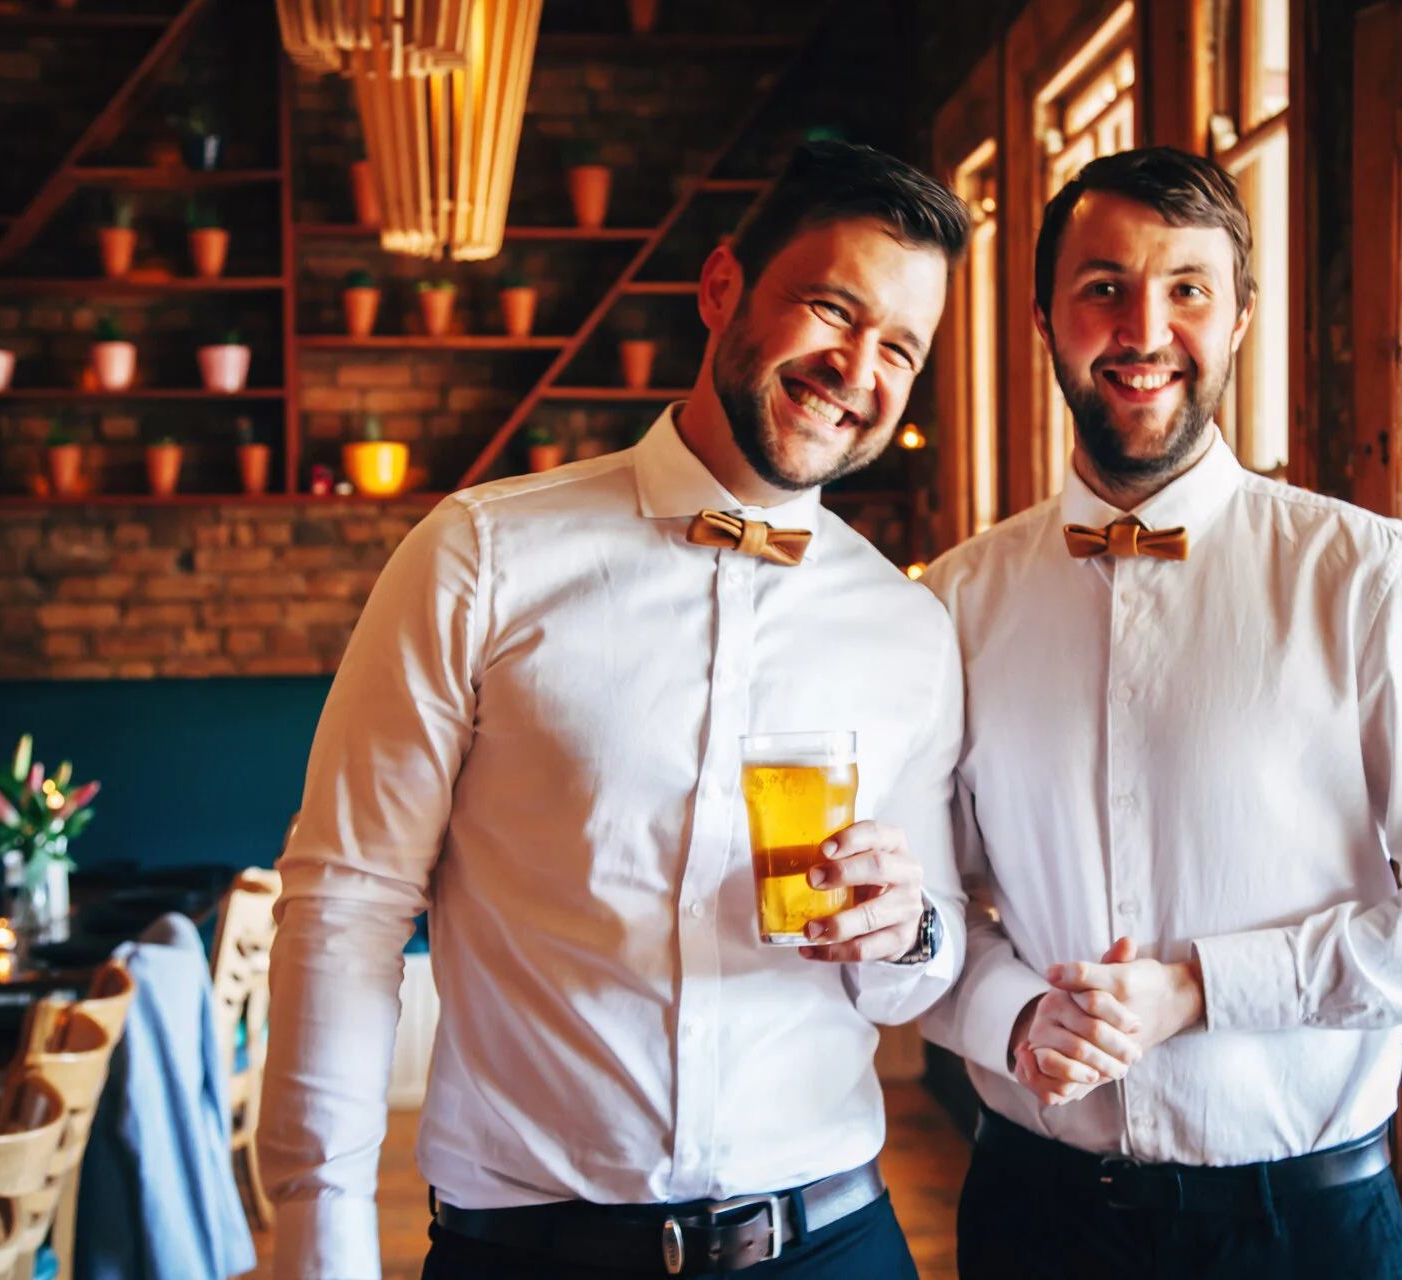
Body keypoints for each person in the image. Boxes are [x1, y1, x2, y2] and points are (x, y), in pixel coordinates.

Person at [259, 140, 972, 1280]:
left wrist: (911, 926)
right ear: (724, 287)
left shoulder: (908, 625)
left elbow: (918, 965)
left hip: (831, 1242)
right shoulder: (479, 554)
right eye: (833, 308)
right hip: (531, 1250)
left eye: (901, 347)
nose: (858, 367)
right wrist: (319, 1238)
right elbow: (347, 905)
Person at [920, 146, 1402, 1278]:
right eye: (1103, 286)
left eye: (1188, 289)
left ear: (1242, 317)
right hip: (1031, 1214)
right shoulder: (956, 598)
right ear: (1044, 317)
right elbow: (923, 909)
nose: (1144, 328)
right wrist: (1011, 1012)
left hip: (1299, 1228)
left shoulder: (1364, 576)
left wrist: (1205, 987)